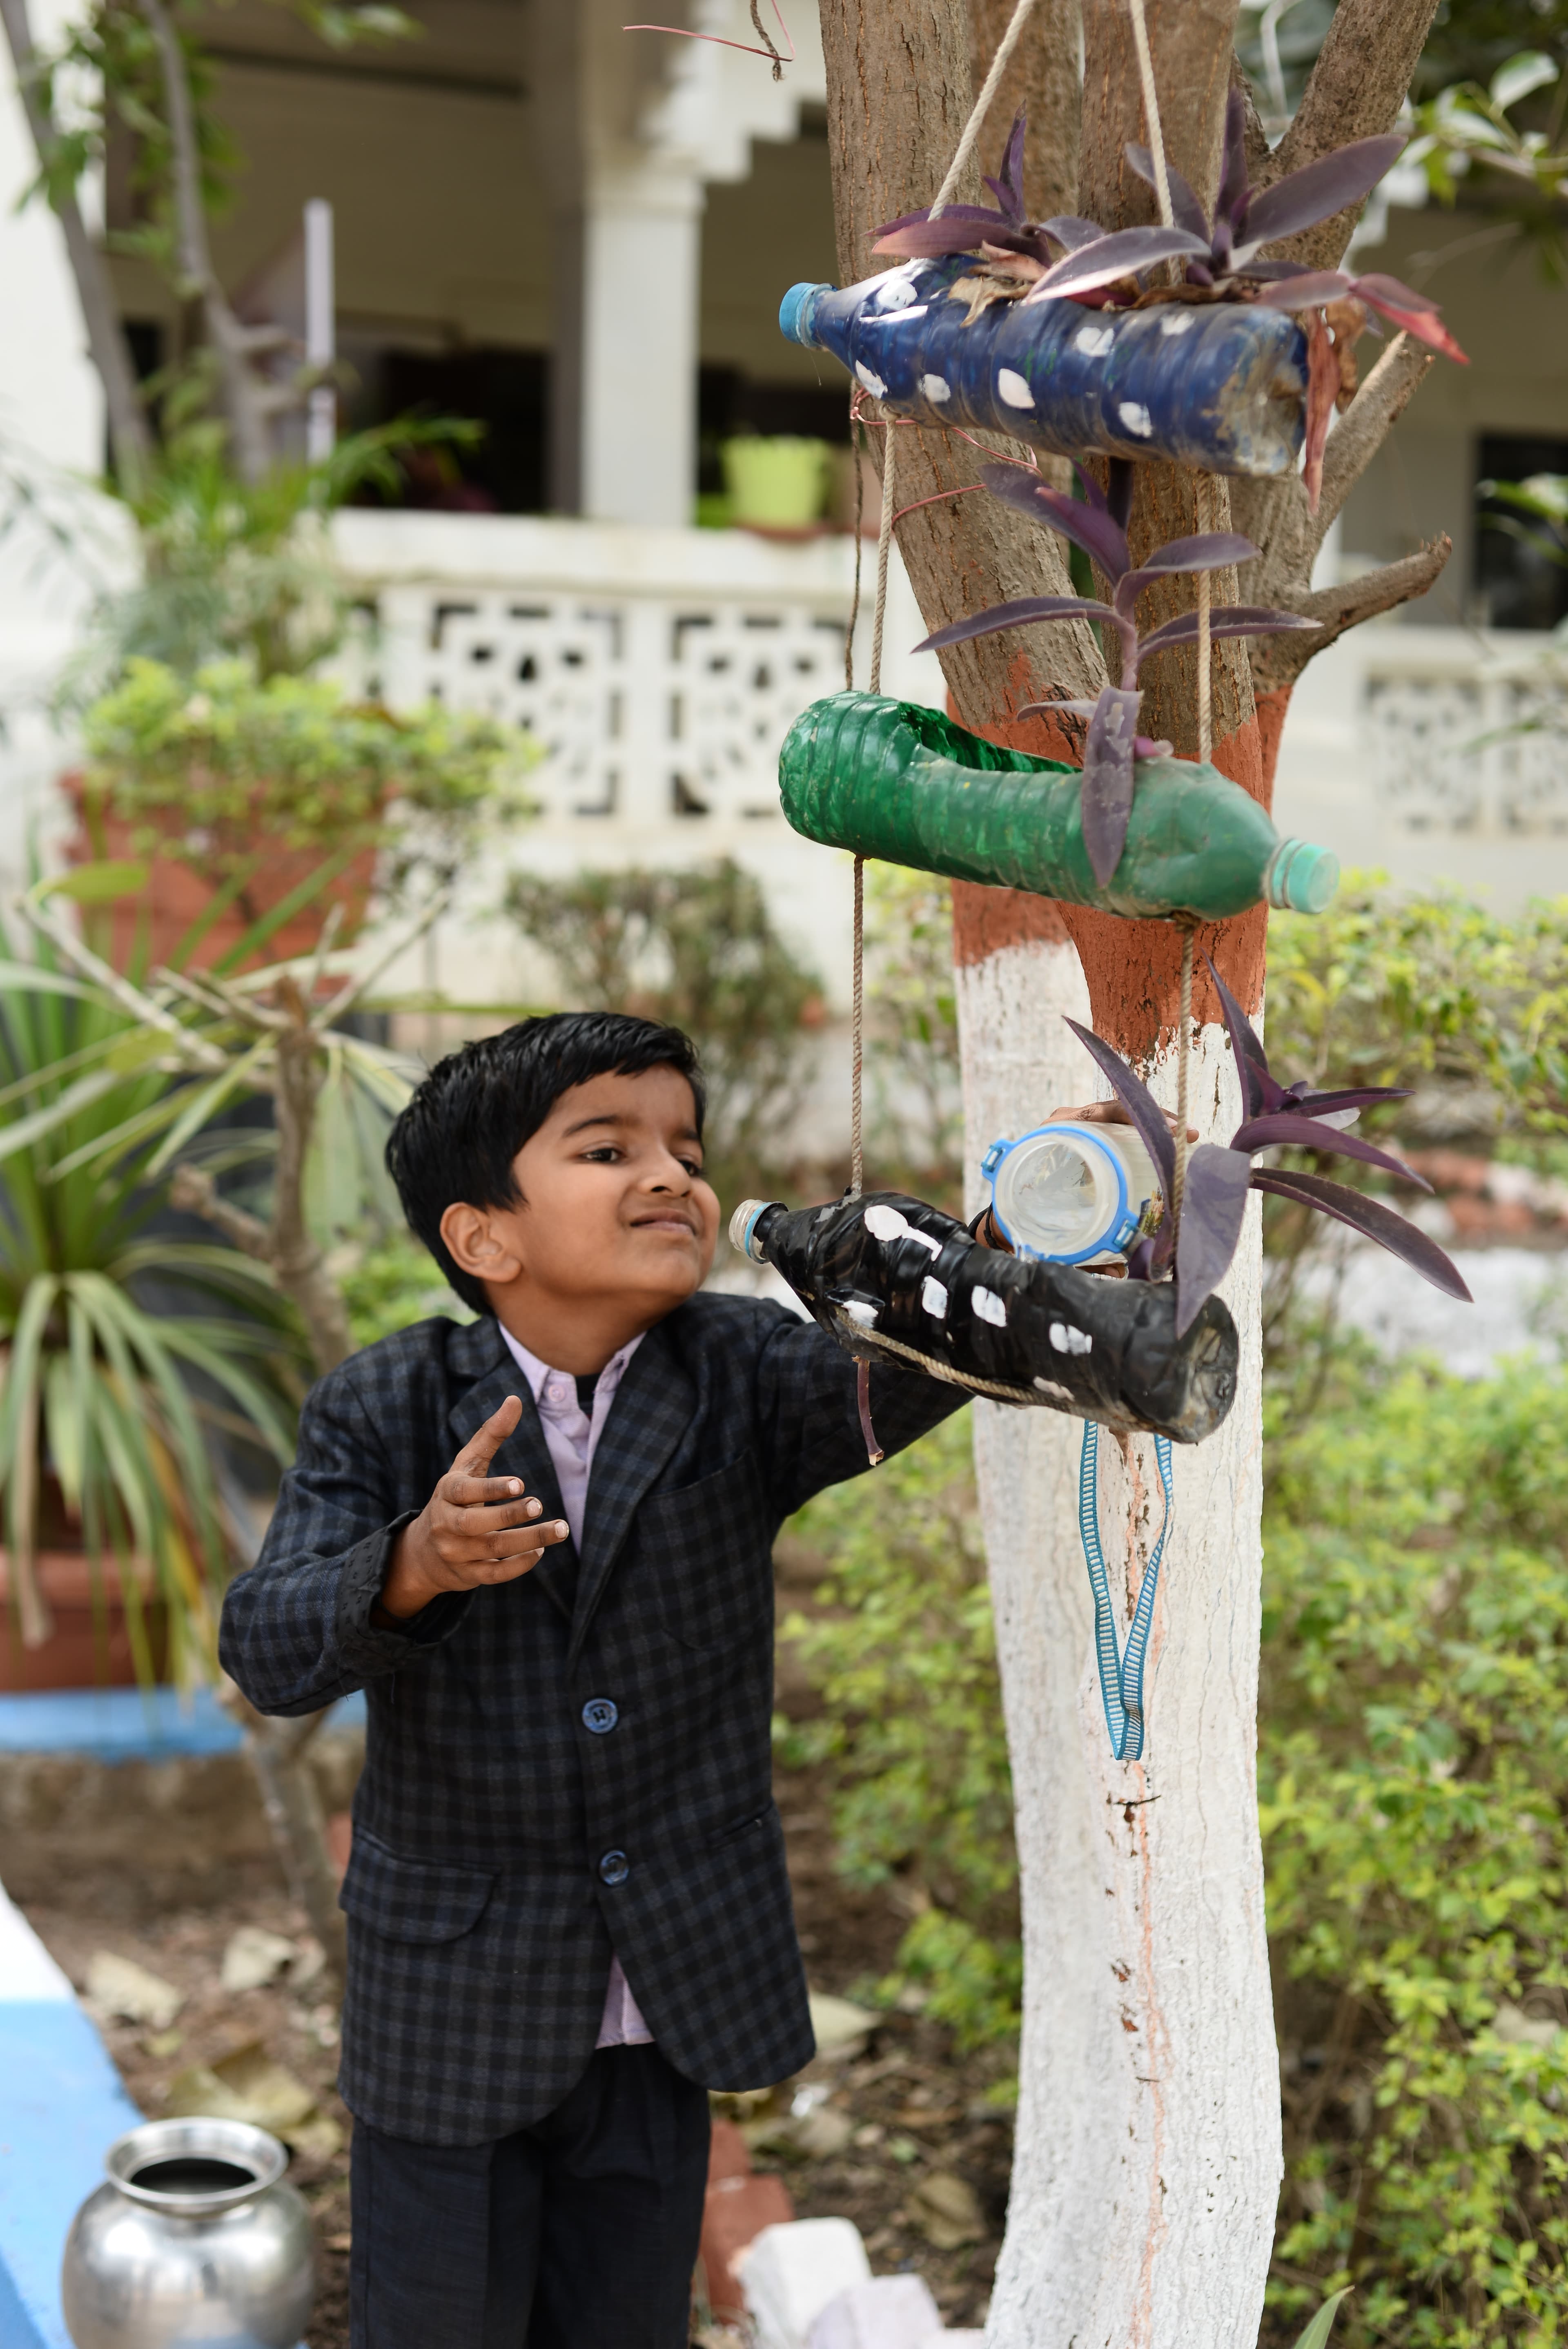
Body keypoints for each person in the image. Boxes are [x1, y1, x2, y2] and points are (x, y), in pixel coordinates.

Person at [219, 1011, 965, 2349]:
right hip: (452, 2012)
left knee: (627, 2322)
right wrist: (412, 1567)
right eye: (607, 1147)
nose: (671, 1175)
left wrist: (946, 1254)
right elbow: (266, 1646)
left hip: (668, 1993)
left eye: (687, 1144)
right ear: (484, 1238)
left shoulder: (739, 1375)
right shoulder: (383, 1406)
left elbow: (925, 1365)